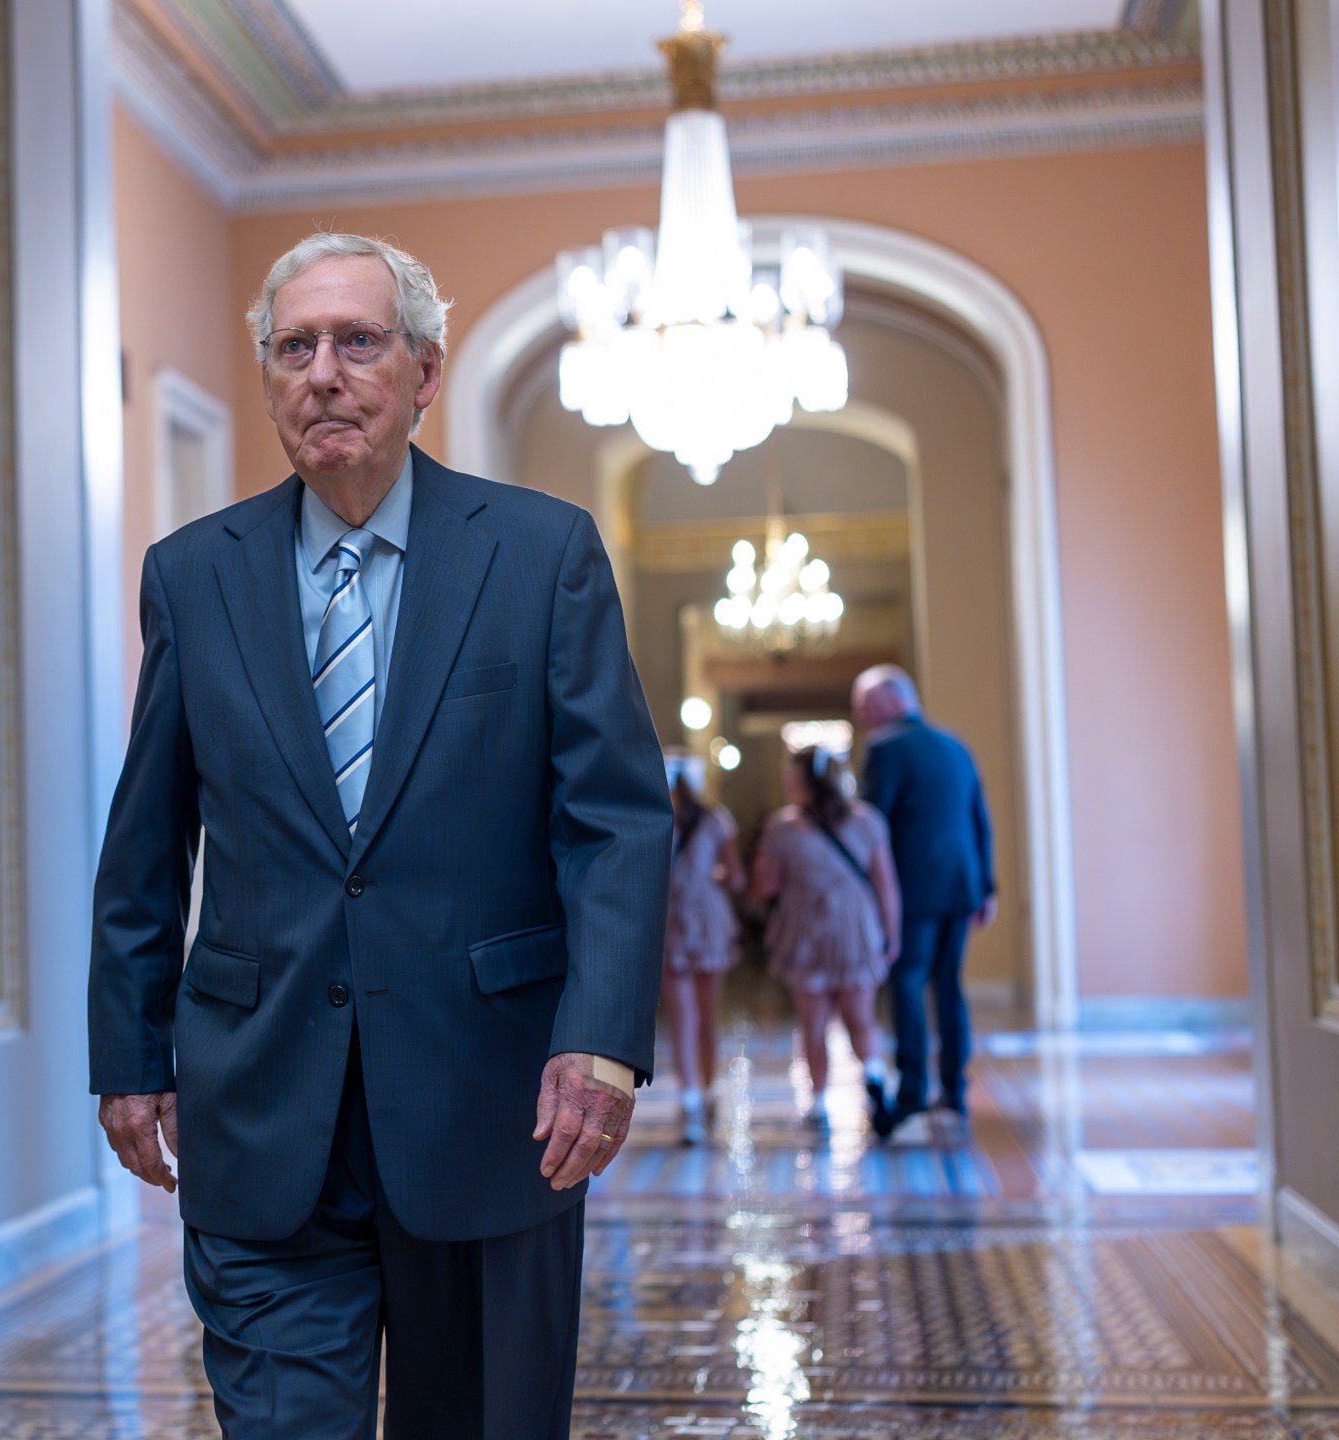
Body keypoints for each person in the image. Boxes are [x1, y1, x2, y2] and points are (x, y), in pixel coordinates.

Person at [89, 233, 669, 1439]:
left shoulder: (539, 552)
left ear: (424, 372)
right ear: (266, 378)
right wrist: (128, 1046)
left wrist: (600, 1040)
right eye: (293, 347)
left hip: (494, 1103)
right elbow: (148, 831)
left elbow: (613, 818)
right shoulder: (194, 575)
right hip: (258, 1105)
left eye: (358, 341)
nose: (323, 373)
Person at [852, 664, 996, 1140]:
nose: (862, 716)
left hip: (912, 890)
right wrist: (988, 887)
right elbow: (980, 820)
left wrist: (868, 891)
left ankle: (912, 1092)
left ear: (893, 701)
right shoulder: (956, 746)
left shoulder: (885, 749)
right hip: (962, 885)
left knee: (908, 984)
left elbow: (874, 825)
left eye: (866, 706)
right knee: (949, 987)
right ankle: (953, 1090)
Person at [752, 747, 900, 1131]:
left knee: (813, 1021)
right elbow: (886, 886)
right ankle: (875, 1074)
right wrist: (891, 934)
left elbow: (765, 886)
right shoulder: (867, 820)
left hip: (807, 928)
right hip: (857, 926)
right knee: (860, 1017)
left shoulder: (782, 828)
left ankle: (818, 1102)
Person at [662, 756, 740, 1146]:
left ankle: (692, 1098)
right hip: (708, 918)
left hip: (672, 920)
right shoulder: (716, 819)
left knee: (685, 1018)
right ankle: (704, 1094)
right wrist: (709, 875)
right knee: (704, 1017)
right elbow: (736, 875)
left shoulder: (654, 818)